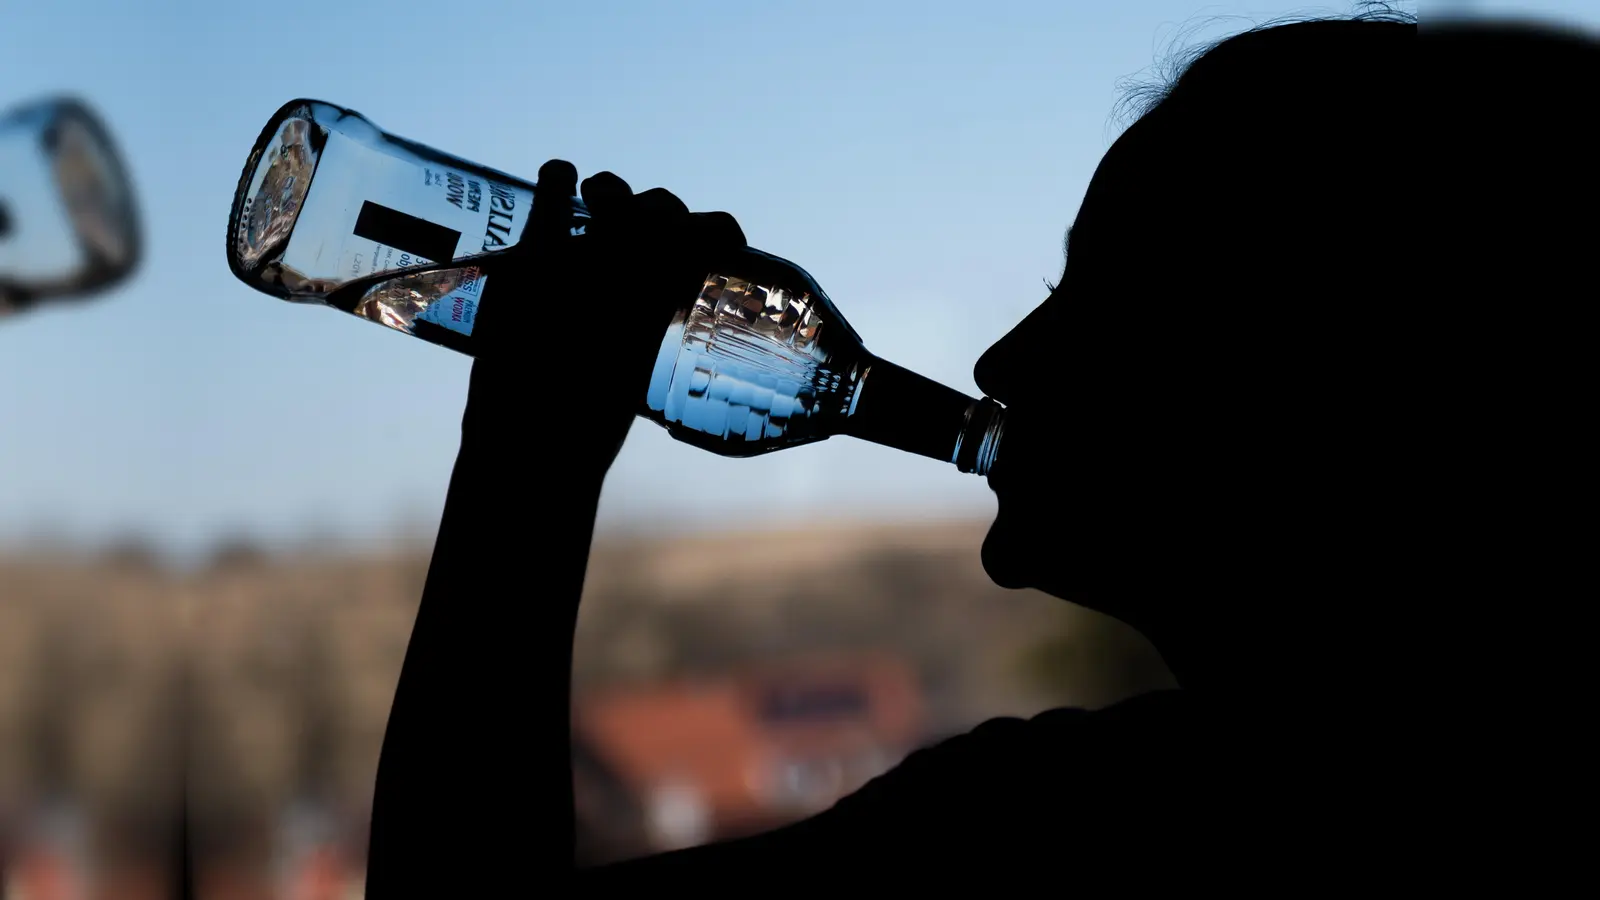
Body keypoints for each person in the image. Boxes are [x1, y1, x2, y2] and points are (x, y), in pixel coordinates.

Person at [363, 7, 1592, 890]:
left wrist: (525, 462)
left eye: (1101, 298)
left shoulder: (1060, 835)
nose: (1003, 360)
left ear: (1320, 371)